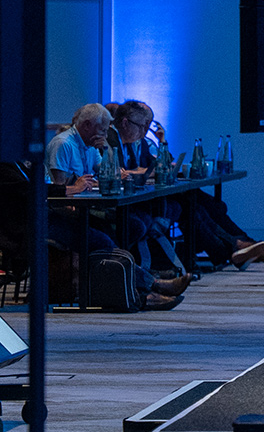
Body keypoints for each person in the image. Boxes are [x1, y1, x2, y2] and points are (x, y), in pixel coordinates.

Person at [46, 104, 187, 308]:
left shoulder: (91, 145)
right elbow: (59, 190)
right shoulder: (63, 144)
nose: (105, 135)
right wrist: (78, 186)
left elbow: (112, 173)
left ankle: (134, 288)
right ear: (87, 125)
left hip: (88, 210)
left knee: (127, 229)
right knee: (113, 235)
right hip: (66, 215)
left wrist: (105, 149)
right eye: (102, 130)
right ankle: (147, 287)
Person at [112, 101, 264, 270]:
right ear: (125, 123)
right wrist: (143, 171)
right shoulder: (113, 140)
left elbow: (160, 165)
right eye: (142, 125)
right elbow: (123, 173)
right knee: (191, 204)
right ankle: (236, 247)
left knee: (205, 203)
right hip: (134, 200)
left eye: (147, 125)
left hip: (147, 193)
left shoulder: (139, 142)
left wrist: (162, 142)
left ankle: (238, 246)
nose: (145, 131)